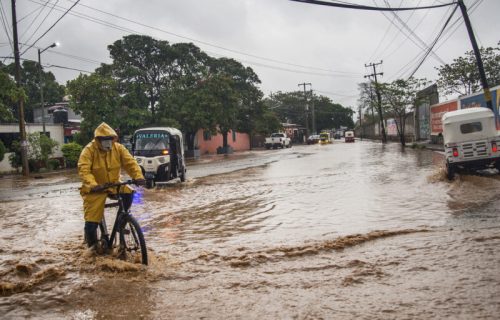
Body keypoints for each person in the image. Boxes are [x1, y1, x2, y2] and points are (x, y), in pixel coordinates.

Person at [78, 122, 145, 249]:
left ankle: (122, 221)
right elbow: (84, 170)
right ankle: (92, 249)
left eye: (109, 139)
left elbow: (130, 163)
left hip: (114, 184)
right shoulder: (88, 150)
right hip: (95, 189)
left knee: (128, 192)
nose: (107, 142)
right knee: (91, 223)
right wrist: (93, 185)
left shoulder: (118, 148)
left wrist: (138, 177)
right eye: (104, 139)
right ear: (98, 140)